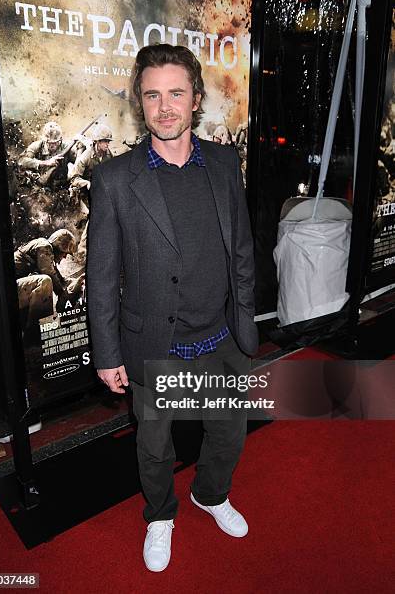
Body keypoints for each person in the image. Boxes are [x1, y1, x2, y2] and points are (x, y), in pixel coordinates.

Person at [87, 44, 258, 572]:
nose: (165, 107)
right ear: (140, 103)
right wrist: (107, 352)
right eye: (152, 95)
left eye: (176, 94)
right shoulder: (116, 179)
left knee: (229, 434)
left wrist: (246, 331)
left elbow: (244, 251)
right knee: (155, 447)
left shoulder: (227, 163)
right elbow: (100, 276)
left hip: (222, 340)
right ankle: (160, 514)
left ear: (196, 99)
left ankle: (210, 494)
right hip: (155, 345)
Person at [14, 229, 82, 336]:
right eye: (65, 253)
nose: (65, 257)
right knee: (44, 281)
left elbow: (61, 280)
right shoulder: (44, 246)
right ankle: (37, 334)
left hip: (18, 290)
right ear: (59, 246)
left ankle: (34, 332)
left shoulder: (47, 252)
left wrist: (77, 282)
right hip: (10, 291)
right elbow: (50, 274)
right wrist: (63, 294)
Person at [68, 124, 115, 264]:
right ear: (97, 142)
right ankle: (82, 253)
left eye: (108, 141)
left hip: (98, 191)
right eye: (104, 141)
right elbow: (73, 178)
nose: (107, 144)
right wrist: (87, 184)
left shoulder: (108, 155)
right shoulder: (86, 156)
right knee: (94, 217)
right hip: (83, 191)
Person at [18, 121, 84, 189]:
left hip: (61, 187)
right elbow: (21, 161)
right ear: (45, 140)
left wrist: (80, 148)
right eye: (50, 143)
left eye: (56, 142)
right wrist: (46, 163)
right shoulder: (38, 146)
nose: (54, 146)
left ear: (60, 139)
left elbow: (80, 162)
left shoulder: (66, 148)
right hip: (39, 185)